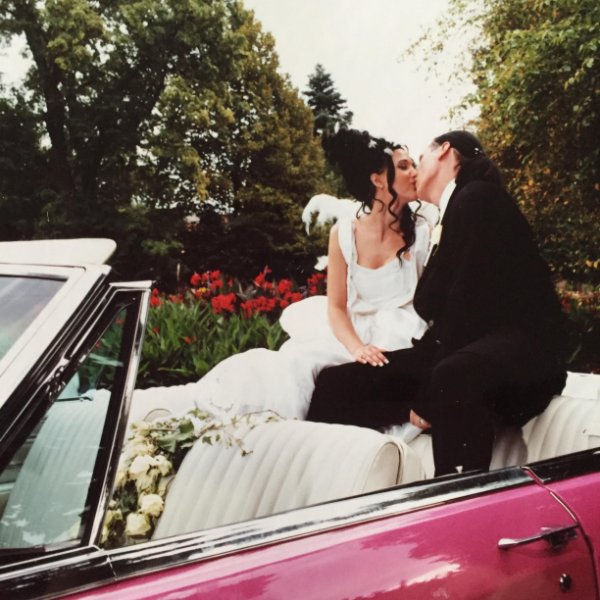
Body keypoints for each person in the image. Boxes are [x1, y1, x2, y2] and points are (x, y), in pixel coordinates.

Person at [307, 130, 567, 476]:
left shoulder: (476, 197)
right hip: (463, 346)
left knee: (449, 376)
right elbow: (437, 303)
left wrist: (427, 397)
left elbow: (465, 309)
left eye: (420, 159)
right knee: (334, 385)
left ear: (444, 151)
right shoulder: (455, 207)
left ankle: (459, 494)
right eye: (406, 165)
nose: (416, 170)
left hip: (520, 351)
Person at [186, 129, 430, 422]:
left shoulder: (424, 230)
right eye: (404, 166)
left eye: (414, 165)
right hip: (353, 333)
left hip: (403, 333)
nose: (415, 172)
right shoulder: (343, 233)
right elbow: (336, 307)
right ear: (377, 179)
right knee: (297, 367)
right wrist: (356, 347)